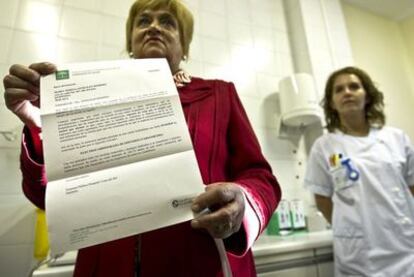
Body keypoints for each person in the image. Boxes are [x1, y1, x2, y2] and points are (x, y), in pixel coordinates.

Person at [3, 0, 281, 276]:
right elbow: (49, 197)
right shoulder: (92, 97)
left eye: (168, 22)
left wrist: (243, 205)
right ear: (131, 43)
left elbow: (260, 176)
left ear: (184, 47)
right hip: (107, 267)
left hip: (202, 265)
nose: (154, 28)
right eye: (144, 21)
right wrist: (41, 128)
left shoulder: (219, 95)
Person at [304, 66, 414, 276]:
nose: (347, 92)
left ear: (367, 96)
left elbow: (412, 187)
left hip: (404, 247)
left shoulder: (396, 138)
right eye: (339, 89)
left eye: (354, 86)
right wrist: (351, 226)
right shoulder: (324, 146)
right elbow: (322, 199)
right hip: (359, 255)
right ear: (332, 103)